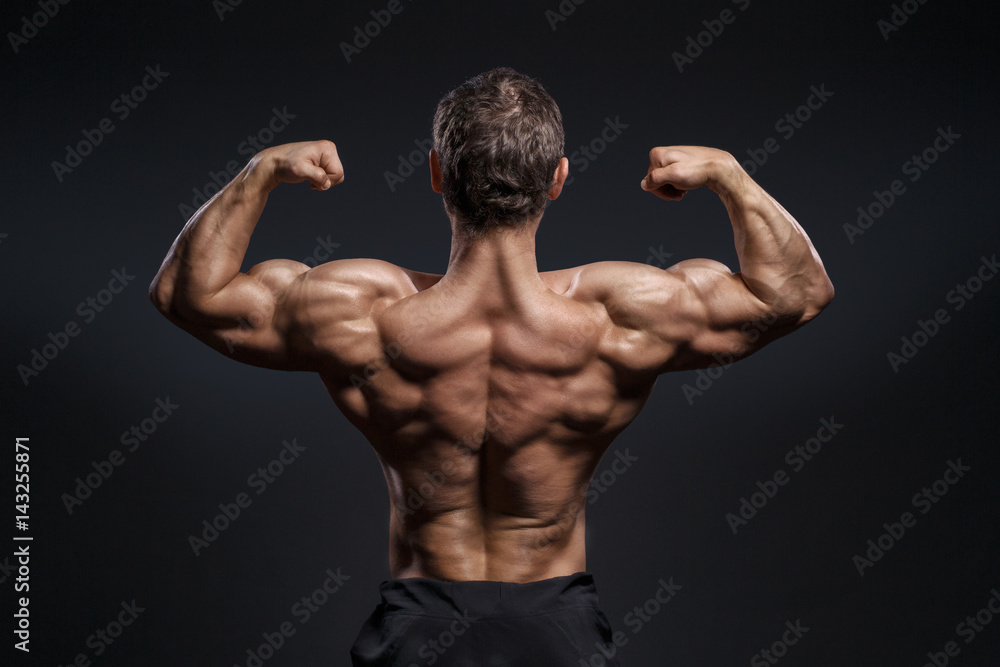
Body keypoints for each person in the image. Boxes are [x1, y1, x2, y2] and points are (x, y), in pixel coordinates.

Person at [149, 67, 834, 665]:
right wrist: (728, 176)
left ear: (437, 173)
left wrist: (261, 171)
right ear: (559, 177)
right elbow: (797, 293)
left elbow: (187, 294)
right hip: (556, 629)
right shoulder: (622, 317)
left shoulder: (360, 313)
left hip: (417, 625)